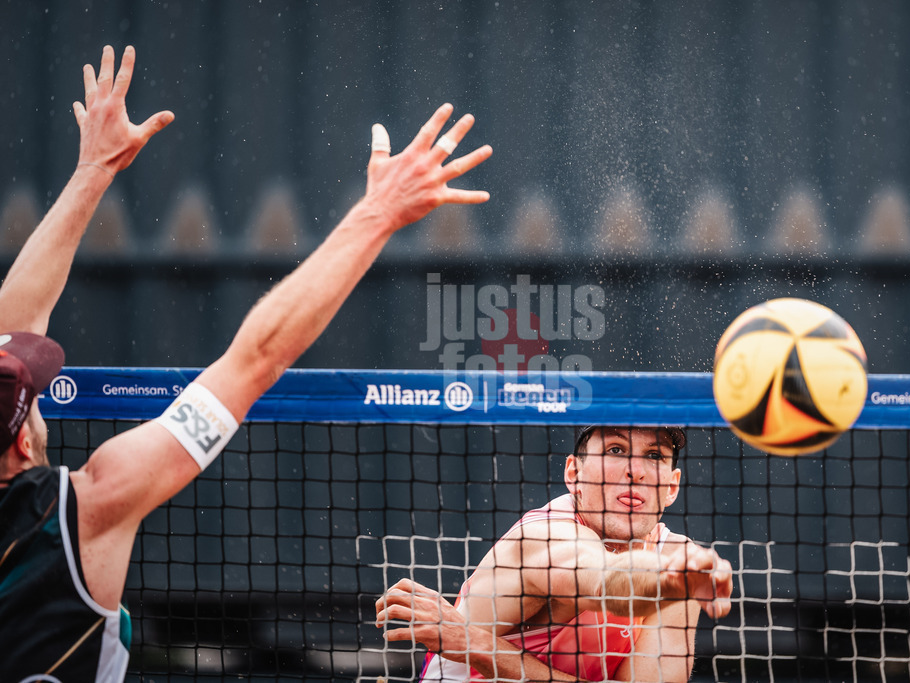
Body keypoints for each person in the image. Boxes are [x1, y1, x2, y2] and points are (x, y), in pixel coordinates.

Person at [0, 45, 491, 682]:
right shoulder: (90, 507)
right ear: (22, 441)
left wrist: (94, 168)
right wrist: (380, 213)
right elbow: (258, 358)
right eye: (33, 395)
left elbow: (13, 327)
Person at [377, 425, 734, 682]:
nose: (635, 471)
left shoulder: (678, 560)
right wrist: (667, 582)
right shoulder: (546, 537)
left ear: (671, 487)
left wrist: (481, 647)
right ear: (574, 473)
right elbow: (607, 581)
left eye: (654, 455)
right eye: (615, 450)